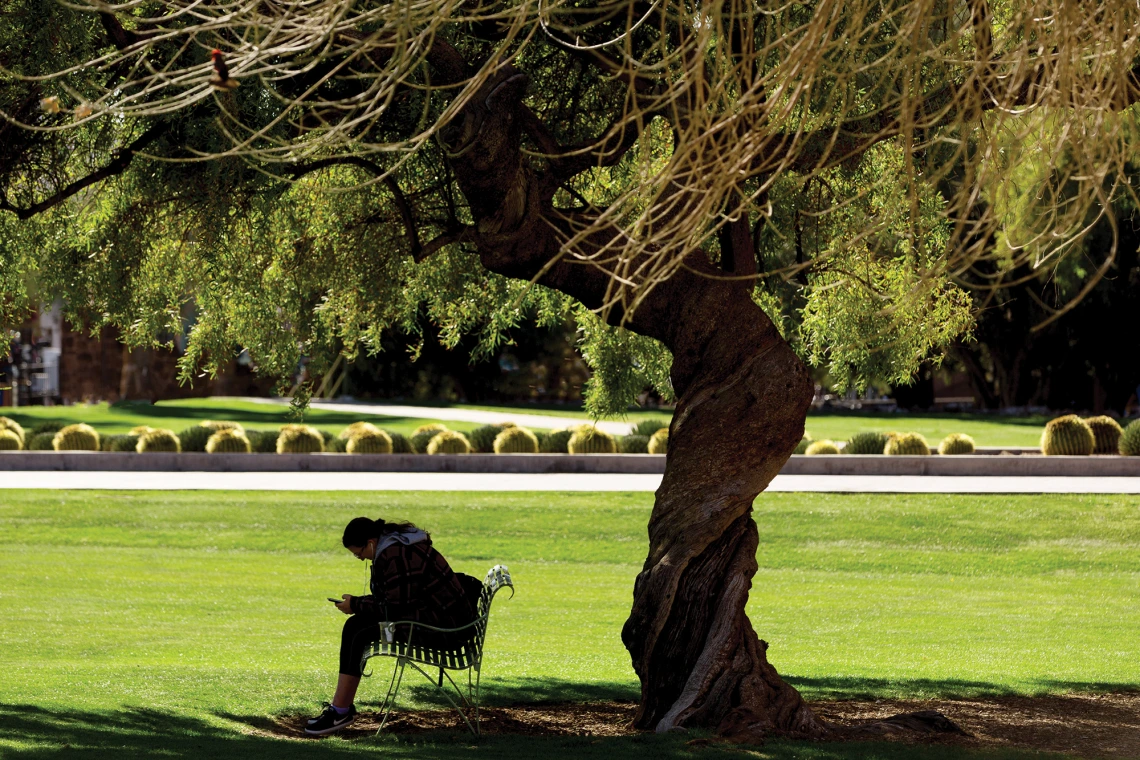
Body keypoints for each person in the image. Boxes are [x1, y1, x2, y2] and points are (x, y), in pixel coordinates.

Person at [305, 516, 476, 736]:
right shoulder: (398, 545)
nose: (361, 558)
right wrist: (358, 603)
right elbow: (397, 599)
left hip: (443, 632)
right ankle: (340, 709)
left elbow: (394, 608)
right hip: (436, 621)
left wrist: (356, 604)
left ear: (371, 543)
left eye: (359, 553)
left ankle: (340, 711)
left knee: (357, 630)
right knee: (357, 626)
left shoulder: (395, 554)